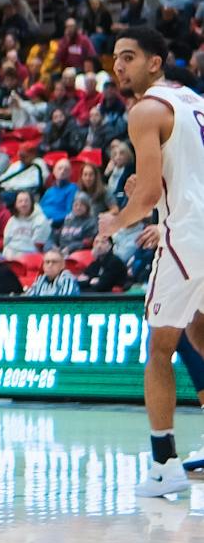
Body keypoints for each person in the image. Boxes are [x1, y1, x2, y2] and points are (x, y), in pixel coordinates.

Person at [96, 28, 204, 497]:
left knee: (160, 348)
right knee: (200, 332)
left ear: (154, 63)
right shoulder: (193, 100)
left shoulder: (145, 110)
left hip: (188, 237)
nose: (119, 67)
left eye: (129, 57)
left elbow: (146, 196)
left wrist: (114, 224)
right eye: (116, 59)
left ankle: (165, 466)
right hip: (196, 228)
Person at [1, 190, 51, 259]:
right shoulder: (12, 220)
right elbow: (6, 241)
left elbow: (38, 244)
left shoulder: (40, 220)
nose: (23, 204)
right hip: (9, 254)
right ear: (15, 204)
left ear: (32, 203)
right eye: (20, 201)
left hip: (30, 256)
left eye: (26, 201)